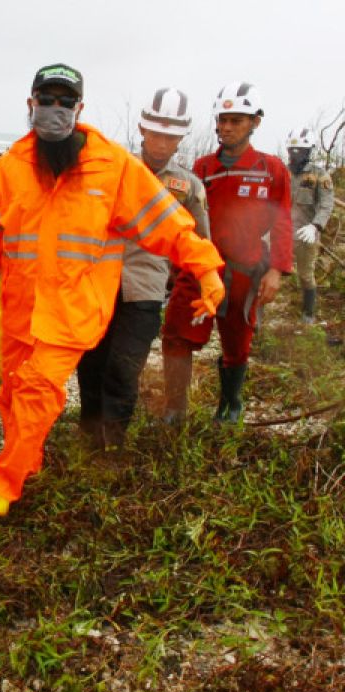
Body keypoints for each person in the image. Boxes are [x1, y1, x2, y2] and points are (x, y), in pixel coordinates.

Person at [0, 64, 225, 517]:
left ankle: (5, 481)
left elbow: (166, 224)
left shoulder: (112, 167)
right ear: (30, 104)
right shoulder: (7, 172)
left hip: (75, 308)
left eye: (64, 102)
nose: (54, 110)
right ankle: (28, 460)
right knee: (12, 391)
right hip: (20, 307)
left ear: (80, 108)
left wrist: (206, 269)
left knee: (38, 388)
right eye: (46, 100)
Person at [77, 88, 210, 445]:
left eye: (171, 135)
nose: (162, 142)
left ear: (181, 137)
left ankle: (113, 440)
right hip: (99, 284)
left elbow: (199, 243)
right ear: (142, 129)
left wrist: (197, 291)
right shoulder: (114, 168)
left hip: (146, 290)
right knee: (91, 362)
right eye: (156, 133)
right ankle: (88, 433)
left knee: (124, 366)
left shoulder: (188, 187)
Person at [161, 82, 293, 424]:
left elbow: (282, 221)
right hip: (198, 271)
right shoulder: (201, 169)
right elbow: (182, 219)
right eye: (222, 119)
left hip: (244, 271)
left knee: (237, 342)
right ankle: (175, 410)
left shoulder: (271, 169)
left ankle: (230, 406)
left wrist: (276, 270)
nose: (226, 127)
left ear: (255, 122)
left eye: (236, 120)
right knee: (177, 335)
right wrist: (174, 265)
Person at [286, 127, 335, 324]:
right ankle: (258, 315)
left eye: (300, 151)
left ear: (308, 152)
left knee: (305, 275)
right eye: (292, 151)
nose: (295, 155)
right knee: (265, 268)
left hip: (306, 232)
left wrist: (316, 226)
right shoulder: (282, 172)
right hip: (281, 230)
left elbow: (326, 204)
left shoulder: (319, 175)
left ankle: (308, 314)